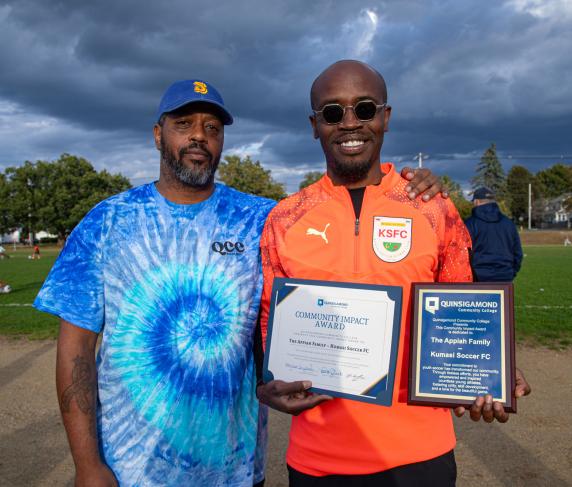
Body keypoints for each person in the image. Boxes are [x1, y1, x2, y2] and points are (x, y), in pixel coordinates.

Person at [34, 78, 445, 486]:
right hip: (132, 469)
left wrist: (411, 190)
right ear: (158, 134)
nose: (199, 135)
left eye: (213, 128)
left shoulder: (264, 220)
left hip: (234, 471)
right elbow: (76, 349)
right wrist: (87, 464)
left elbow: (338, 228)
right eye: (184, 124)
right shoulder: (107, 221)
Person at [257, 60, 531, 486]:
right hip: (317, 460)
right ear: (315, 125)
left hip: (422, 457)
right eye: (332, 113)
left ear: (385, 117)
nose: (349, 123)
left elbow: (465, 313)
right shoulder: (284, 218)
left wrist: (489, 374)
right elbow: (268, 328)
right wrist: (268, 385)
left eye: (364, 109)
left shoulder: (431, 207)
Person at [465, 187, 523, 282]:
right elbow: (517, 253)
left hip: (478, 278)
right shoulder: (509, 223)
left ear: (476, 201)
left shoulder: (470, 224)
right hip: (505, 276)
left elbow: (463, 253)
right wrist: (511, 273)